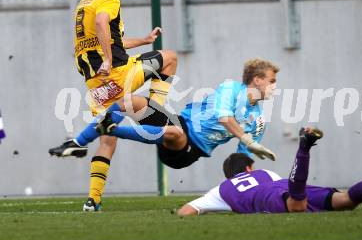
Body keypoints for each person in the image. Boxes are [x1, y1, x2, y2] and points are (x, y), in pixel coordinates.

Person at [49, 0, 177, 211]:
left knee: (107, 139)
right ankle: (155, 111)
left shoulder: (85, 2)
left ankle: (92, 201)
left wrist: (144, 40)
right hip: (119, 74)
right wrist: (109, 60)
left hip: (96, 85)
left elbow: (108, 38)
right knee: (170, 57)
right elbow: (101, 23)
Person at [51, 59, 279, 193]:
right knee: (129, 101)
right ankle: (78, 143)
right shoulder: (230, 89)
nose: (274, 87)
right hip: (179, 122)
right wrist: (246, 139)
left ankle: (111, 129)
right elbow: (224, 117)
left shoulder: (258, 121)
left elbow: (241, 161)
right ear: (257, 80)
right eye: (272, 81)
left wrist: (244, 188)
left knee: (175, 133)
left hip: (188, 151)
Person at [177, 127, 362, 216]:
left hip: (275, 199)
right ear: (249, 167)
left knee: (296, 206)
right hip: (284, 187)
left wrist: (205, 212)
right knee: (346, 200)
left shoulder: (221, 190)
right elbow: (284, 183)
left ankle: (304, 147)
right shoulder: (264, 173)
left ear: (229, 175)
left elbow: (186, 211)